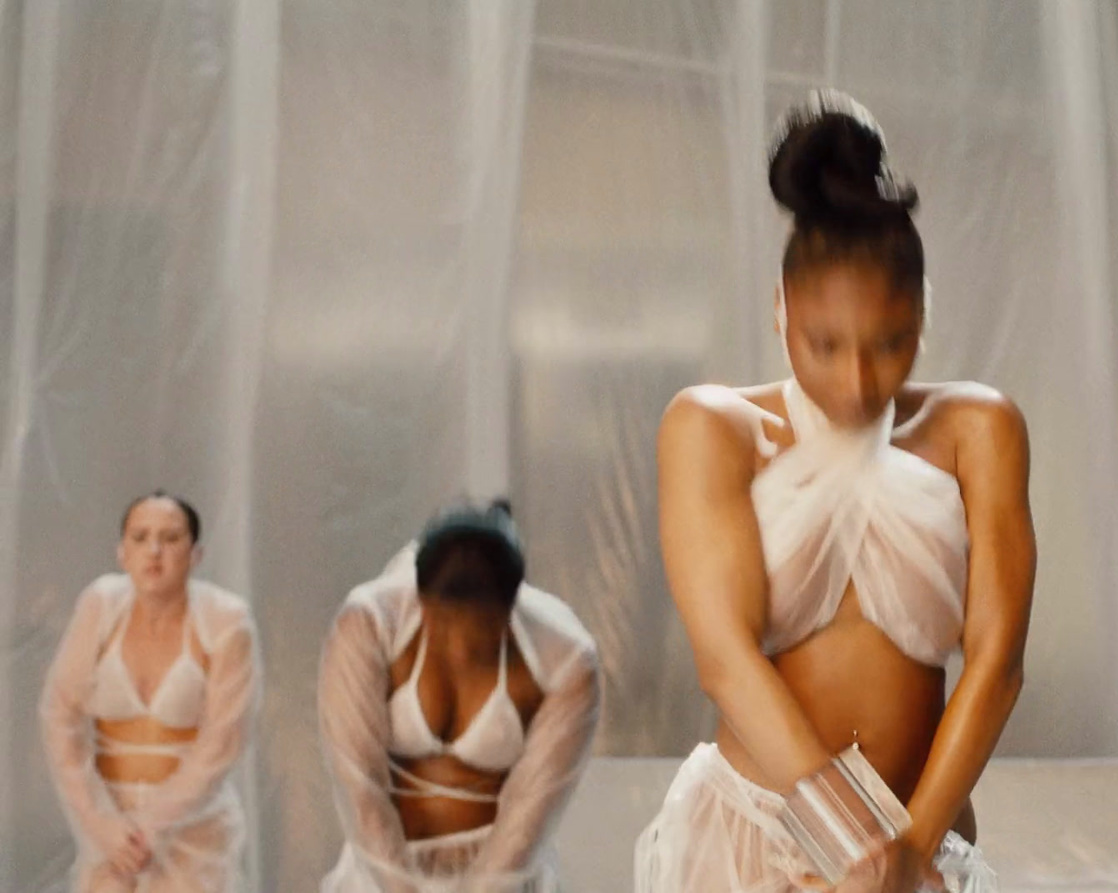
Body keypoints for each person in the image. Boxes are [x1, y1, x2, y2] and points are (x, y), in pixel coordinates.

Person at [636, 89, 1036, 893]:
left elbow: (996, 663)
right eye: (826, 345)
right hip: (752, 840)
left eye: (890, 346)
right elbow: (727, 662)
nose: (857, 382)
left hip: (920, 838)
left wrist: (904, 855)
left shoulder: (978, 428)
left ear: (923, 316)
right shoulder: (714, 428)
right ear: (780, 311)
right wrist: (853, 849)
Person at [319, 500, 600, 892]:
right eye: (444, 627)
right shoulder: (368, 623)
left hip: (502, 875)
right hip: (378, 873)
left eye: (478, 637)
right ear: (422, 602)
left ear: (508, 612)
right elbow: (358, 781)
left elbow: (530, 814)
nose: (458, 653)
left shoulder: (567, 659)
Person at [40, 491, 260, 891]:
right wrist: (101, 824)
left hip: (193, 832)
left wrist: (149, 826)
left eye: (171, 538)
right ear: (122, 552)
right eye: (140, 538)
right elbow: (60, 715)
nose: (154, 551)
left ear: (196, 553)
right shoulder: (100, 605)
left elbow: (222, 741)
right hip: (110, 830)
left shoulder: (225, 621)